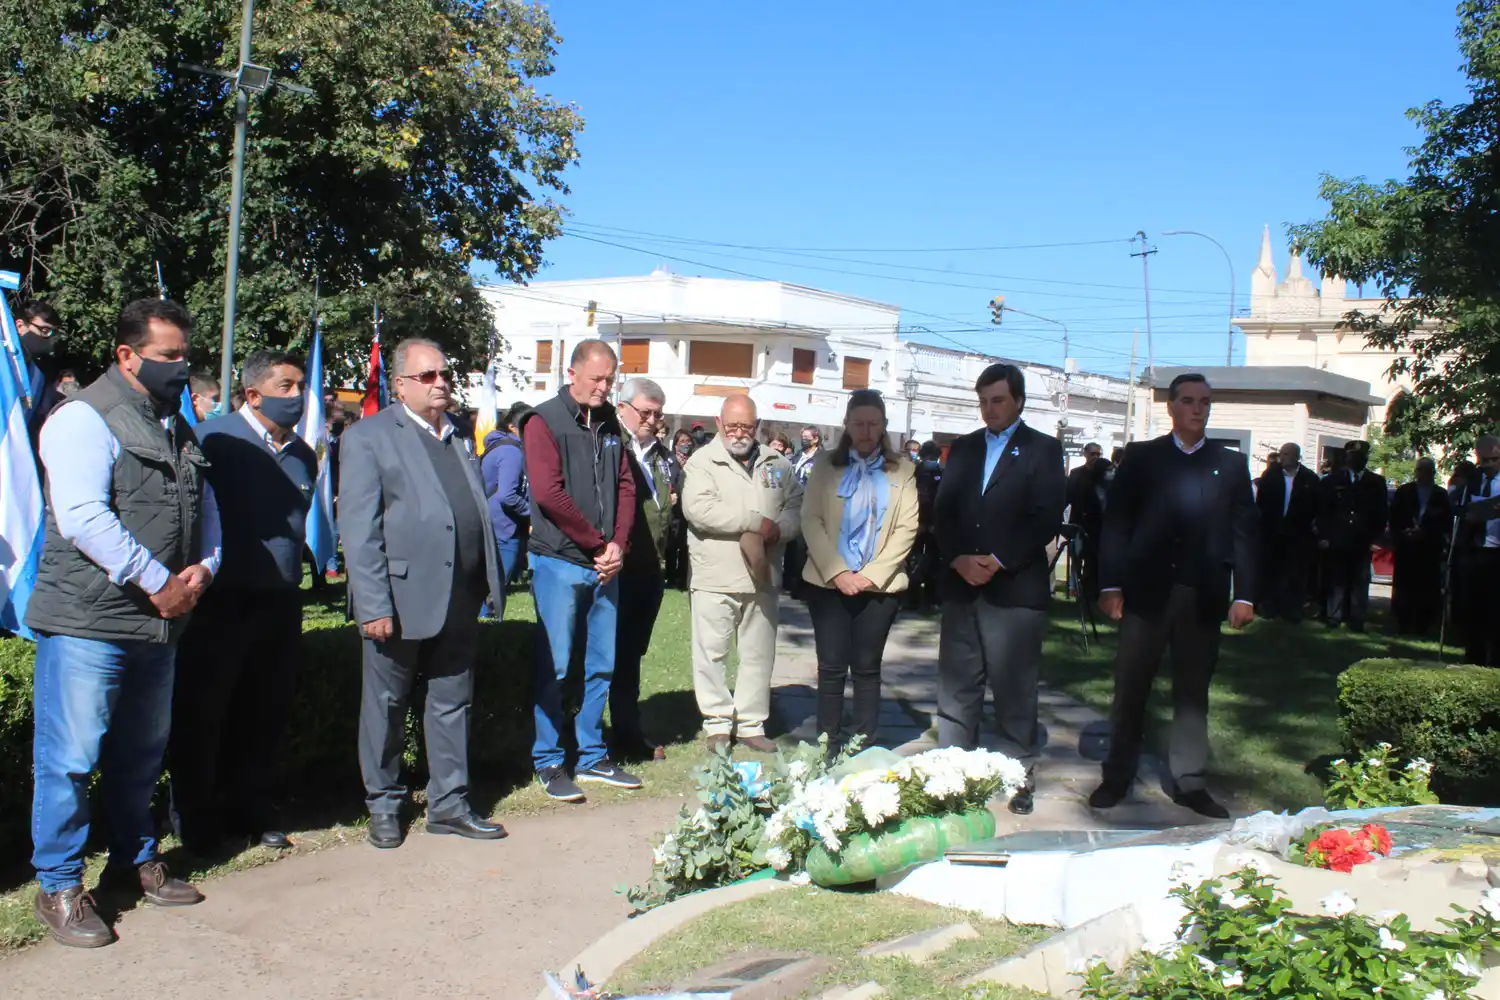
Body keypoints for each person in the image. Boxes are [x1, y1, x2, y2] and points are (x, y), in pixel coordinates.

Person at [25, 298, 221, 947]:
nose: (180, 367)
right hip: (89, 620)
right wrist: (157, 580)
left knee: (140, 755)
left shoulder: (174, 424)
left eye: (184, 355)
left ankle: (133, 861)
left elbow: (205, 507)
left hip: (159, 624)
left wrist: (204, 569)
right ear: (127, 355)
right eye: (168, 356)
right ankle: (58, 886)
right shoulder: (82, 418)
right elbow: (83, 516)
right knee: (71, 760)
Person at [341, 338, 507, 848]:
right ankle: (385, 805)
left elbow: (473, 509)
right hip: (398, 598)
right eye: (428, 376)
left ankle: (449, 804)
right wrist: (372, 604)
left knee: (452, 702)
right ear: (400, 385)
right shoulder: (369, 437)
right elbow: (359, 528)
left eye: (445, 376)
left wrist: (486, 580)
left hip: (458, 595)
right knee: (386, 706)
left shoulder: (457, 434)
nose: (441, 384)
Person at [1090, 373, 1257, 820]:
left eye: (1205, 402)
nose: (1197, 409)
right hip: (1146, 595)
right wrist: (1110, 585)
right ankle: (1117, 775)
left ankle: (1189, 781)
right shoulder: (1144, 459)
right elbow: (1118, 525)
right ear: (1171, 406)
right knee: (1131, 687)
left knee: (1192, 693)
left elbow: (1244, 533)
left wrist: (1246, 595)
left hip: (1201, 595)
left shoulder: (1230, 464)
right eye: (1188, 401)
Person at [169, 350, 316, 854]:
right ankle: (196, 820)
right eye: (286, 386)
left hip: (278, 602)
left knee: (264, 712)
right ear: (253, 394)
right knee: (206, 713)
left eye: (300, 385)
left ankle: (251, 811)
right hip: (219, 603)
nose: (297, 396)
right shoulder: (214, 441)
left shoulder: (303, 454)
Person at [934, 363, 1066, 816]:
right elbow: (944, 510)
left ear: (1019, 401)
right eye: (984, 401)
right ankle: (953, 777)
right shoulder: (965, 449)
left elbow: (1046, 515)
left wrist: (999, 559)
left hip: (1013, 589)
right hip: (962, 585)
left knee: (1013, 692)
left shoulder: (1043, 450)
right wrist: (958, 557)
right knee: (957, 689)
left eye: (999, 400)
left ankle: (1017, 776)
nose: (990, 409)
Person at [522, 340, 641, 802]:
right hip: (559, 561)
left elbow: (627, 485)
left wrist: (618, 545)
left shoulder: (610, 421)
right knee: (554, 665)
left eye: (610, 380)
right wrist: (597, 543)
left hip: (605, 567)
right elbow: (550, 494)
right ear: (572, 373)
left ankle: (592, 755)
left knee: (601, 666)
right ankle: (549, 760)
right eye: (596, 379)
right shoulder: (542, 420)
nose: (604, 387)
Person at [800, 390, 919, 754]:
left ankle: (865, 745)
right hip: (828, 583)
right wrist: (839, 573)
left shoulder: (903, 469)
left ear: (883, 427)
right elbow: (811, 520)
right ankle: (827, 744)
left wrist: (870, 575)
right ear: (847, 425)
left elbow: (907, 527)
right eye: (859, 423)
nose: (866, 431)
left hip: (880, 587)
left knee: (867, 668)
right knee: (831, 667)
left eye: (874, 424)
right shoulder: (824, 466)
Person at [682, 394, 802, 752]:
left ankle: (751, 725)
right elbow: (699, 509)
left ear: (758, 426)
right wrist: (755, 522)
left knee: (758, 654)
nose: (739, 433)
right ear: (719, 424)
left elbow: (797, 504)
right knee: (711, 654)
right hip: (715, 574)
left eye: (746, 426)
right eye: (732, 425)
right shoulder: (702, 461)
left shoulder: (777, 463)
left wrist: (780, 529)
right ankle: (717, 723)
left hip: (763, 574)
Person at [613, 377, 680, 762]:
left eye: (657, 413)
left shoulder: (660, 454)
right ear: (623, 407)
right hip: (615, 568)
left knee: (630, 655)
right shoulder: (610, 445)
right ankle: (587, 737)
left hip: (649, 570)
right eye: (645, 411)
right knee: (602, 655)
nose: (652, 420)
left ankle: (626, 729)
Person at [1315, 440, 1387, 632]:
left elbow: (1381, 514)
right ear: (1347, 458)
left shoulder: (1376, 483)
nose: (1355, 460)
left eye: (1360, 457)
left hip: (1363, 540)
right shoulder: (1333, 480)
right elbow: (1323, 511)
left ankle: (1357, 619)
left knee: (1360, 581)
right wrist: (1324, 536)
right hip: (1338, 538)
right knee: (1336, 579)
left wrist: (1376, 540)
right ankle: (1334, 616)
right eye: (1352, 457)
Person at [1254, 442, 1320, 622]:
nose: (1282, 458)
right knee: (1270, 571)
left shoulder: (1309, 478)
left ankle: (1291, 610)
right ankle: (1268, 607)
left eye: (1287, 454)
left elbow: (1315, 506)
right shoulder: (1271, 476)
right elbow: (1261, 503)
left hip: (1297, 533)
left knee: (1295, 574)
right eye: (1281, 454)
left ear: (1297, 456)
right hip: (1272, 531)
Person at [1389, 457, 1452, 635]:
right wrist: (1404, 533)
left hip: (1429, 548)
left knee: (1426, 588)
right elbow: (1394, 517)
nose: (1422, 474)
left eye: (1426, 471)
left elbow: (1445, 522)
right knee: (1403, 586)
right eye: (1419, 470)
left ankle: (1423, 624)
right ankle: (1402, 622)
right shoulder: (1404, 492)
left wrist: (1427, 534)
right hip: (1406, 547)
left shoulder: (1440, 495)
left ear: (1432, 473)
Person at [1456, 436, 1500, 665]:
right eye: (1485, 460)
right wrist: (1468, 516)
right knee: (1474, 607)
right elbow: (1458, 508)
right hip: (1476, 549)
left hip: (1498, 551)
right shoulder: (1473, 479)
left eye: (1495, 459)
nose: (1490, 464)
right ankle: (1474, 657)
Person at [481, 402, 532, 589]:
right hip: (504, 526)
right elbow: (507, 495)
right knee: (496, 586)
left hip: (498, 522)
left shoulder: (502, 447)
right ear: (512, 427)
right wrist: (533, 513)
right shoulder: (511, 452)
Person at [15, 300, 69, 445]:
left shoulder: (42, 372)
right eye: (44, 331)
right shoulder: (6, 368)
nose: (50, 339)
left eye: (53, 332)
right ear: (20, 326)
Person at [906, 440, 945, 612]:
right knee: (921, 563)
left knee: (924, 562)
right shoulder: (916, 473)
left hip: (925, 524)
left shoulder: (918, 472)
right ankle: (922, 601)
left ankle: (917, 601)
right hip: (922, 524)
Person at [665, 429, 696, 589]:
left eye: (688, 442)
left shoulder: (695, 462)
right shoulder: (670, 461)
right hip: (674, 510)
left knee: (685, 546)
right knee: (671, 545)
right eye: (682, 442)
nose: (686, 445)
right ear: (676, 444)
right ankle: (670, 577)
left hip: (689, 511)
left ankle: (682, 579)